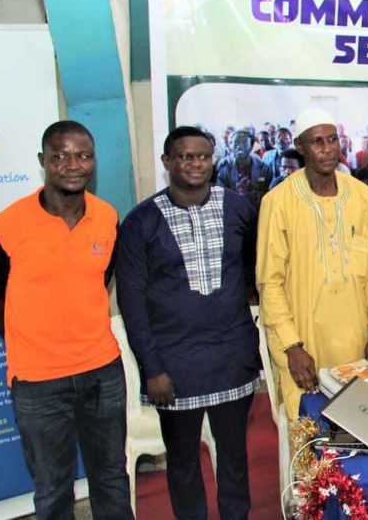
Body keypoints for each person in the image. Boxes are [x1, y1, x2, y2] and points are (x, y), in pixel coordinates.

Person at [0, 121, 132, 519]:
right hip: (38, 382)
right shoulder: (4, 227)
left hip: (102, 372)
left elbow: (101, 278)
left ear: (94, 161)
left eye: (83, 155)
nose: (72, 165)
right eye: (60, 156)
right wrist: (31, 339)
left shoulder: (107, 217)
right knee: (52, 490)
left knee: (112, 478)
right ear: (42, 161)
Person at [116, 126, 260, 519]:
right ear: (167, 162)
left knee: (234, 457)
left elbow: (252, 269)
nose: (196, 164)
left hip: (232, 358)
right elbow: (131, 302)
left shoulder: (238, 207)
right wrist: (152, 368)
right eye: (185, 156)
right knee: (182, 463)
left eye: (204, 156)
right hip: (173, 368)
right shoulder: (141, 222)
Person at [256, 109, 368, 420]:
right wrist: (292, 346)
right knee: (311, 433)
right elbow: (270, 282)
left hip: (355, 339)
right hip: (304, 341)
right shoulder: (278, 202)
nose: (327, 149)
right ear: (300, 147)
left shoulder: (363, 196)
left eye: (332, 140)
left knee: (358, 426)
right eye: (317, 142)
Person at [217, 128, 273, 208]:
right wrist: (237, 194)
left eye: (243, 143)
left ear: (251, 147)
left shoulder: (264, 169)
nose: (239, 147)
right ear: (231, 146)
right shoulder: (225, 170)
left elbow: (270, 195)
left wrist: (251, 194)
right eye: (236, 143)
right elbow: (220, 196)